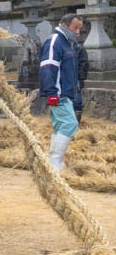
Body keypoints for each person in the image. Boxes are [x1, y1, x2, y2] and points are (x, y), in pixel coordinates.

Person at [39, 13, 84, 170]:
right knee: (70, 124)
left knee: (60, 126)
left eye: (79, 29)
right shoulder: (55, 41)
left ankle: (54, 163)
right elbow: (47, 67)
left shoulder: (67, 43)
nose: (77, 32)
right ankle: (54, 161)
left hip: (66, 93)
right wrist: (51, 92)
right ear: (64, 25)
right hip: (58, 93)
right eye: (75, 28)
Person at [74, 24, 90, 124]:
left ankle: (76, 122)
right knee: (75, 101)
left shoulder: (79, 49)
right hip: (75, 78)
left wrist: (80, 77)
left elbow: (84, 65)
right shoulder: (79, 48)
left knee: (76, 101)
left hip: (76, 78)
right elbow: (84, 65)